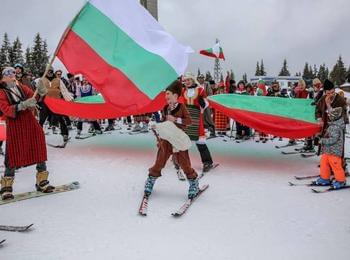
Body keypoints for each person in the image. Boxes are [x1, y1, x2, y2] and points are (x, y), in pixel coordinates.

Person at [0, 67, 54, 200]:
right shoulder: (1, 92)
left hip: (29, 122)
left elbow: (35, 97)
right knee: (13, 152)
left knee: (39, 146)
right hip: (15, 124)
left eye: (13, 73)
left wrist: (41, 91)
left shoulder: (21, 87)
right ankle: (6, 187)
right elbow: (5, 109)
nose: (12, 76)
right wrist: (21, 105)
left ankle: (41, 181)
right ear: (3, 78)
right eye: (9, 74)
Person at [143, 80, 199, 199]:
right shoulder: (165, 108)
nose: (166, 96)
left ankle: (193, 182)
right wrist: (157, 127)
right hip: (167, 140)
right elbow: (164, 122)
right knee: (160, 161)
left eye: (168, 94)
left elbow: (189, 121)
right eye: (165, 94)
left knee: (185, 164)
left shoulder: (182, 107)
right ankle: (151, 180)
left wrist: (176, 120)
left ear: (175, 96)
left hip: (178, 139)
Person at [181, 73, 214, 172]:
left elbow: (206, 104)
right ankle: (182, 161)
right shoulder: (183, 91)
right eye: (185, 81)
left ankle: (207, 162)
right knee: (183, 141)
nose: (187, 82)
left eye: (188, 80)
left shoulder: (200, 90)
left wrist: (202, 103)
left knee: (200, 141)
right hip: (186, 118)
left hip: (196, 117)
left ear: (193, 80)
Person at [316, 79, 348, 171]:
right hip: (326, 125)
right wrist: (319, 118)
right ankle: (328, 164)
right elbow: (317, 110)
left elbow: (337, 114)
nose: (331, 94)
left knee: (337, 147)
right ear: (325, 92)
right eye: (328, 92)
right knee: (327, 145)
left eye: (332, 92)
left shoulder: (340, 100)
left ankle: (341, 166)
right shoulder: (322, 99)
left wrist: (328, 105)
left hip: (338, 126)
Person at [313, 107, 346, 189]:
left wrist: (322, 140)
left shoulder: (336, 127)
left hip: (334, 151)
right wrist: (321, 136)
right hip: (328, 150)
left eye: (330, 115)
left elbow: (333, 140)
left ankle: (341, 181)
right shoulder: (332, 125)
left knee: (336, 166)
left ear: (334, 117)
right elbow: (328, 136)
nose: (328, 116)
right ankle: (325, 178)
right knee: (324, 163)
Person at [39, 68, 69, 142]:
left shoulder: (58, 80)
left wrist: (69, 99)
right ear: (46, 72)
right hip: (45, 102)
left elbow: (64, 91)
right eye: (48, 71)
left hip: (56, 102)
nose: (50, 73)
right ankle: (38, 135)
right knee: (41, 120)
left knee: (60, 118)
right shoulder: (42, 80)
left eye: (51, 71)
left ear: (53, 72)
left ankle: (65, 134)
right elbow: (38, 91)